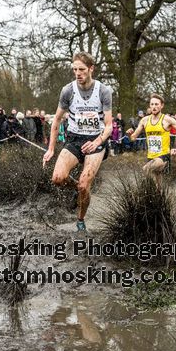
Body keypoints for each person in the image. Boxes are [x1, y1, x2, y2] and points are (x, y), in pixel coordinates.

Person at [43, 51, 113, 232]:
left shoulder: (103, 91)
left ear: (91, 69)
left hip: (96, 142)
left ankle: (80, 220)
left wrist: (97, 141)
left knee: (85, 183)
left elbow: (109, 126)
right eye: (74, 70)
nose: (78, 73)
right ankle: (80, 190)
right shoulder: (67, 90)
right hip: (74, 139)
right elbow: (57, 120)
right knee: (58, 178)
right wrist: (51, 149)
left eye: (81, 69)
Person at [127, 93, 176, 187]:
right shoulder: (144, 120)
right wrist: (130, 133)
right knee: (158, 186)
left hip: (163, 156)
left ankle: (144, 192)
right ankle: (160, 198)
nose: (154, 107)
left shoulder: (167, 120)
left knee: (146, 169)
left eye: (156, 104)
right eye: (152, 104)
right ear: (149, 106)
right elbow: (133, 138)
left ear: (162, 105)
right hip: (151, 156)